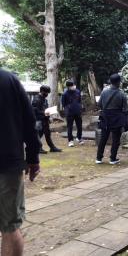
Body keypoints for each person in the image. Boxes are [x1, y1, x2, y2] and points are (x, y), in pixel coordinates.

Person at [0, 68, 41, 256]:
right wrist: (33, 159)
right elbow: (28, 122)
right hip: (7, 163)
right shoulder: (8, 79)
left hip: (8, 163)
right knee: (10, 227)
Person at [96, 73, 128, 165]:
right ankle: (112, 158)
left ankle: (99, 158)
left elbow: (99, 104)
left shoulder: (104, 92)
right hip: (116, 118)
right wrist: (126, 119)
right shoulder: (121, 93)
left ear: (110, 82)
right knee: (116, 139)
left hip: (105, 118)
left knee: (103, 138)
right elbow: (126, 109)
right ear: (119, 82)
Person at [32, 85, 62, 153]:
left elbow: (45, 109)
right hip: (39, 120)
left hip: (45, 119)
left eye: (48, 93)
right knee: (39, 135)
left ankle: (52, 148)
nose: (47, 94)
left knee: (48, 134)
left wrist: (48, 115)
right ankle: (38, 148)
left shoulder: (44, 99)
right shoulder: (36, 99)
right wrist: (44, 113)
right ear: (42, 91)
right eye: (46, 92)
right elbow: (35, 111)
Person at [61, 80, 83, 147]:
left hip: (78, 111)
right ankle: (70, 140)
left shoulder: (77, 91)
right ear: (68, 87)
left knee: (79, 126)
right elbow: (63, 103)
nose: (74, 86)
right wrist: (68, 108)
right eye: (72, 85)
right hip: (69, 113)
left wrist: (79, 107)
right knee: (69, 127)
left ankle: (79, 138)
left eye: (74, 85)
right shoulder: (65, 94)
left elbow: (79, 100)